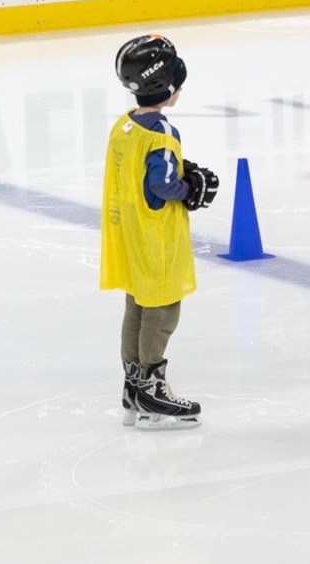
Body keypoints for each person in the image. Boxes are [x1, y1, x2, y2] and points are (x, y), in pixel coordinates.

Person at [100, 35, 219, 429]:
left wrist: (182, 170)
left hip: (130, 238)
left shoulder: (125, 126)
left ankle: (133, 386)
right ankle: (151, 388)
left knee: (136, 305)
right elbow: (163, 184)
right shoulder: (162, 133)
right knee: (163, 309)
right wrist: (189, 189)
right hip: (157, 241)